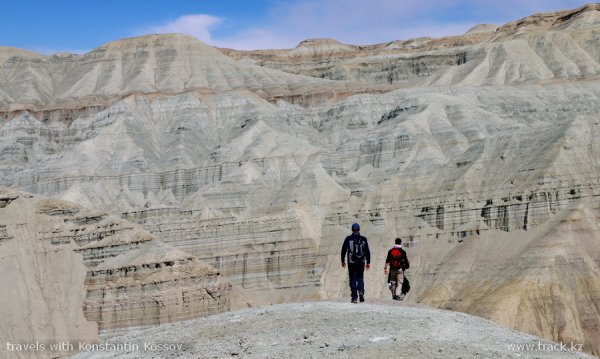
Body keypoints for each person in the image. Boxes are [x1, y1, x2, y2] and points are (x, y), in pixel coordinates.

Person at [341, 223, 371, 303]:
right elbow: (367, 251)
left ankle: (354, 297)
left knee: (353, 279)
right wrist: (368, 262)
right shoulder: (364, 239)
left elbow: (343, 250)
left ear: (352, 229)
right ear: (359, 229)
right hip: (361, 262)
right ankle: (361, 292)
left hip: (351, 262)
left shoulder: (348, 239)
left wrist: (342, 261)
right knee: (360, 278)